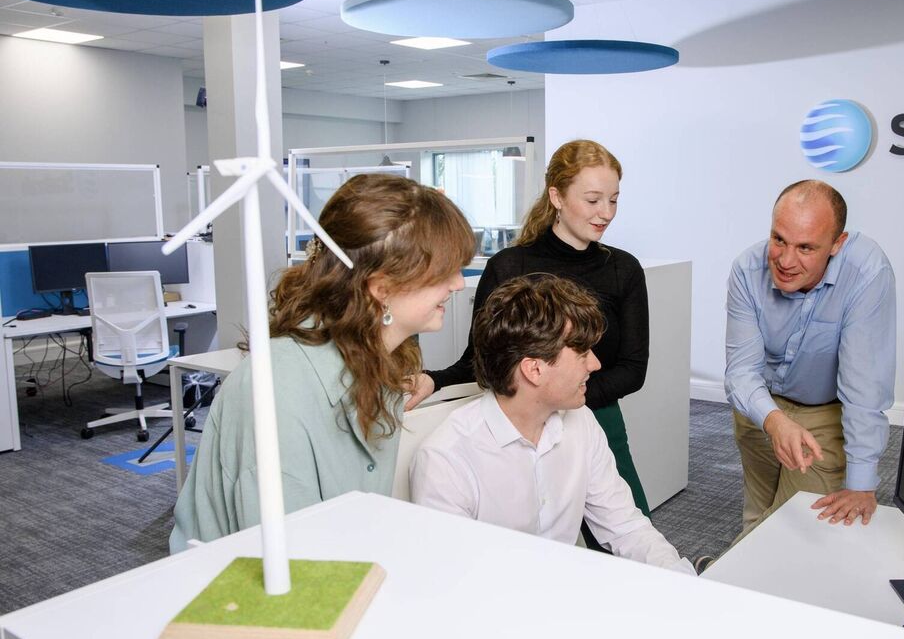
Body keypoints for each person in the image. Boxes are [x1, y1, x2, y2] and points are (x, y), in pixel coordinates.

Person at [169, 174, 476, 552]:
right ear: (381, 289)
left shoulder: (381, 359)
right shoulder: (279, 393)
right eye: (445, 271)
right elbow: (290, 566)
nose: (459, 284)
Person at [410, 140, 653, 530]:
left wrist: (562, 396)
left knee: (627, 528)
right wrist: (434, 380)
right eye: (593, 200)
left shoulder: (624, 269)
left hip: (596, 416)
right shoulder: (511, 265)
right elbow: (483, 359)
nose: (605, 213)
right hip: (523, 419)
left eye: (613, 200)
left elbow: (632, 368)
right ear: (556, 195)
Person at [410, 274, 693, 575]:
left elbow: (625, 526)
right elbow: (451, 579)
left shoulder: (581, 422)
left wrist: (684, 580)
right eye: (582, 352)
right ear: (534, 369)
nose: (595, 365)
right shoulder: (446, 459)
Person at [725, 179, 896, 537]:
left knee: (792, 530)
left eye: (805, 247)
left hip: (824, 415)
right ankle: (732, 584)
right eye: (778, 240)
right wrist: (773, 421)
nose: (786, 260)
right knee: (757, 516)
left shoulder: (867, 273)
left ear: (837, 243)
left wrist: (862, 483)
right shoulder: (746, 270)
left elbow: (864, 383)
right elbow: (741, 372)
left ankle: (711, 582)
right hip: (761, 408)